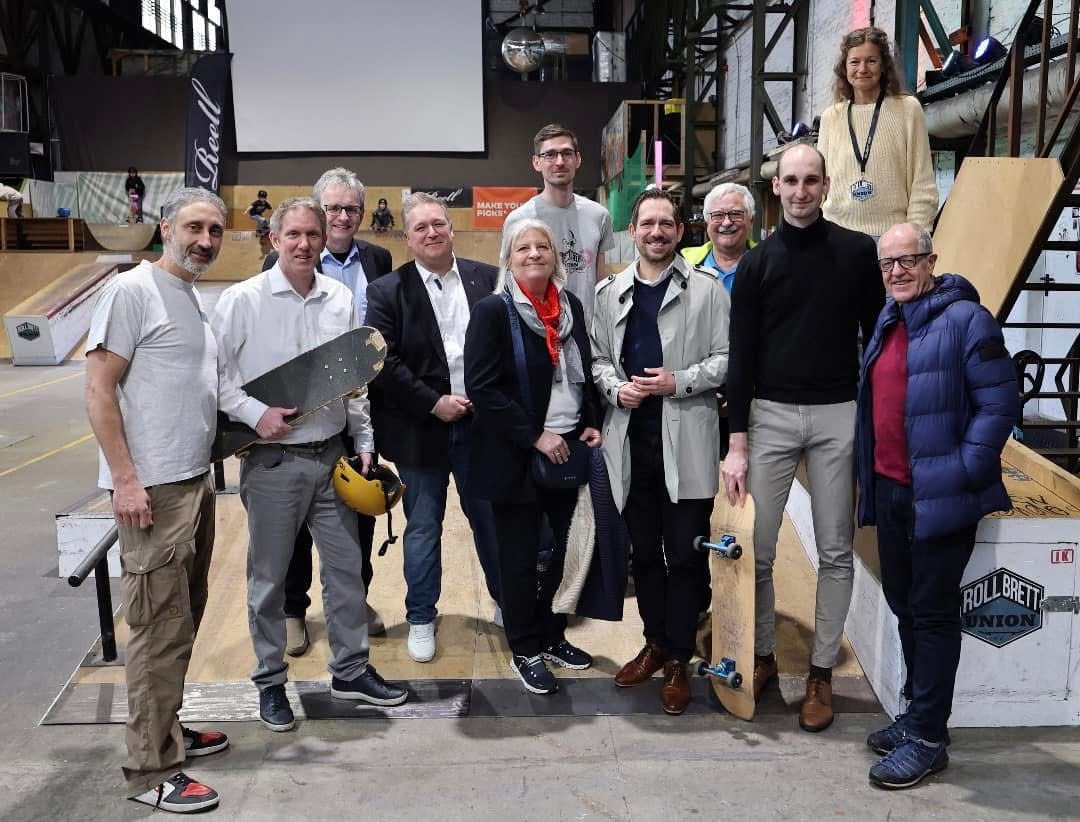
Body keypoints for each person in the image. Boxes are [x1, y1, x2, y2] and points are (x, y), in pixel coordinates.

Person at [213, 197, 408, 733]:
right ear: (274, 239)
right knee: (270, 581)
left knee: (346, 573)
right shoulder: (242, 300)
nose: (304, 244)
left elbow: (354, 379)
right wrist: (253, 413)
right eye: (294, 235)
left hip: (332, 458)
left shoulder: (339, 298)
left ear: (325, 242)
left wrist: (364, 441)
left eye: (313, 236)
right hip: (272, 462)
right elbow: (214, 375)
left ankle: (350, 669)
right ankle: (270, 681)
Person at [723, 144, 885, 732]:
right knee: (759, 548)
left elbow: (878, 337)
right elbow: (741, 357)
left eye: (810, 180)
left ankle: (820, 673)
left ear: (826, 185)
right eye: (790, 180)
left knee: (836, 548)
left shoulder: (857, 253)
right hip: (770, 414)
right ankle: (765, 654)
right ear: (776, 187)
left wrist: (873, 424)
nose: (800, 191)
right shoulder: (757, 264)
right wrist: (736, 442)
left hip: (839, 414)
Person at [856, 223, 1018, 789]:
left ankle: (928, 738)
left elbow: (999, 406)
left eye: (908, 260)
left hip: (941, 493)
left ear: (931, 261)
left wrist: (964, 470)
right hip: (893, 489)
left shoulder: (968, 320)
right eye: (887, 263)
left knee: (932, 612)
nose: (897, 271)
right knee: (904, 603)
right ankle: (916, 715)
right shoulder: (890, 318)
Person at [85, 187, 228, 813]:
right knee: (155, 631)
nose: (204, 240)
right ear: (165, 227)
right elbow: (98, 389)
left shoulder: (189, 295)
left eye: (214, 230)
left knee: (181, 619)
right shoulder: (133, 290)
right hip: (152, 490)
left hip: (192, 481)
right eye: (194, 227)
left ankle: (167, 730)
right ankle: (151, 770)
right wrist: (125, 480)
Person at [593, 189, 730, 715]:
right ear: (632, 231)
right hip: (631, 444)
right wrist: (615, 389)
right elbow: (598, 359)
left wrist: (679, 381)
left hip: (687, 441)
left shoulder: (708, 291)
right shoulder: (609, 293)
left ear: (679, 231)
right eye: (647, 223)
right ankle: (655, 643)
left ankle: (678, 658)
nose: (656, 232)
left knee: (686, 557)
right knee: (645, 555)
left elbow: (726, 359)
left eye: (665, 224)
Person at [465, 218, 601, 695]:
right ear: (509, 258)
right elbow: (482, 388)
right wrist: (534, 435)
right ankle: (524, 647)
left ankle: (552, 635)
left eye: (542, 246)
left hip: (567, 449)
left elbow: (583, 372)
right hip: (515, 455)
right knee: (521, 559)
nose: (534, 253)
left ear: (555, 256)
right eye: (523, 248)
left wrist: (590, 420)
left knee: (562, 554)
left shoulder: (570, 307)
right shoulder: (492, 312)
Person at [364, 193, 502, 662]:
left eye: (438, 224)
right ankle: (421, 617)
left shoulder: (489, 279)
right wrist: (433, 403)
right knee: (423, 528)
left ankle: (507, 602)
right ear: (407, 238)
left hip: (481, 428)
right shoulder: (387, 291)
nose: (431, 232)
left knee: (491, 523)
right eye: (420, 227)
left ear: (451, 228)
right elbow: (384, 362)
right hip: (420, 429)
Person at [262, 169, 393, 656]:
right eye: (333, 208)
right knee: (297, 521)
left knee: (359, 512)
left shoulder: (377, 258)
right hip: (299, 413)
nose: (342, 217)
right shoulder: (277, 264)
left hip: (357, 407)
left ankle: (355, 599)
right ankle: (293, 609)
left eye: (351, 208)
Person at [816, 26, 938, 237]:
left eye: (871, 61)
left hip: (892, 240)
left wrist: (914, 237)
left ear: (884, 66)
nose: (862, 69)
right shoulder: (830, 117)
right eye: (854, 62)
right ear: (844, 68)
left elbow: (922, 183)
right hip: (836, 238)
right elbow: (818, 185)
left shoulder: (908, 110)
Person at [501, 123, 615, 324]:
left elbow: (600, 283)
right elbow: (507, 282)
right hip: (537, 329)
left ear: (578, 159)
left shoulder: (599, 215)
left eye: (567, 153)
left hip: (586, 329)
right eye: (550, 155)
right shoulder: (518, 220)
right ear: (537, 162)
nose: (560, 161)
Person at [681, 182, 757, 294]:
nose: (726, 223)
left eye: (736, 214)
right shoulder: (684, 265)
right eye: (718, 215)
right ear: (707, 223)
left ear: (751, 221)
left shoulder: (770, 264)